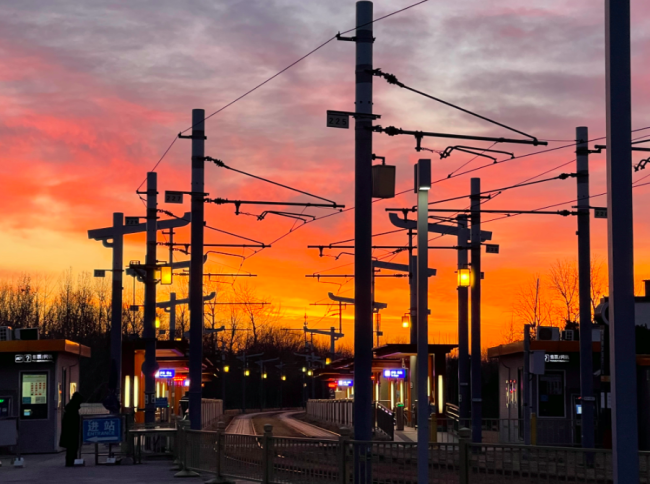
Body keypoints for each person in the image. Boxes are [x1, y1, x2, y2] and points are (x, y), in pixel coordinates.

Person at [59, 392, 83, 467]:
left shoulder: (69, 408)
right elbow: (74, 421)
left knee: (70, 448)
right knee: (73, 447)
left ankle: (70, 461)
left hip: (69, 432)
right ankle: (71, 461)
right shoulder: (73, 409)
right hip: (72, 432)